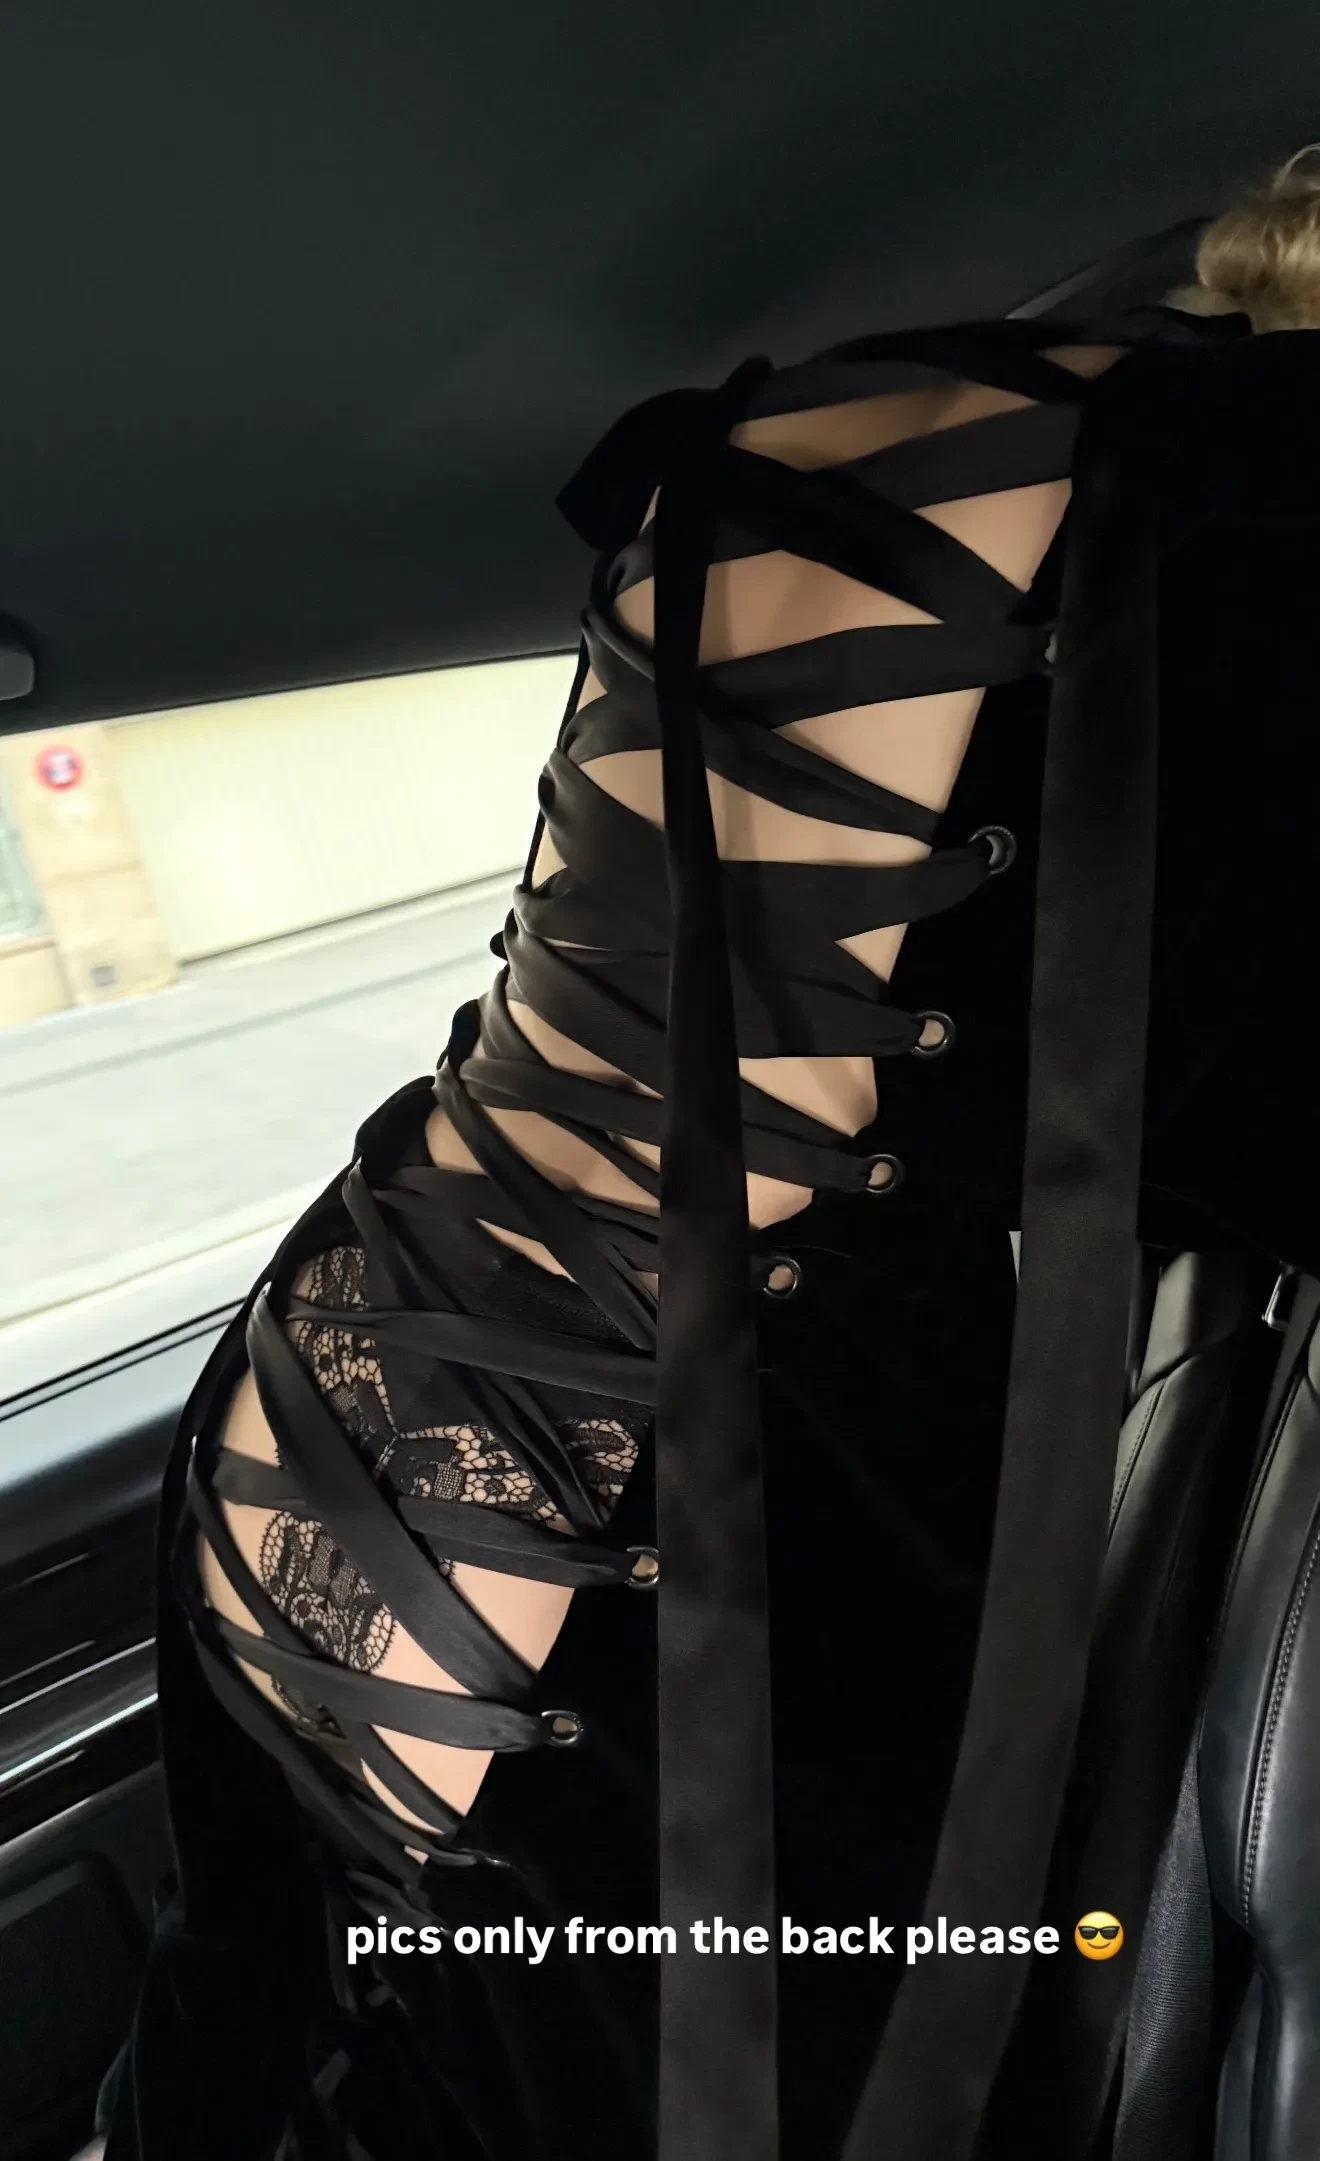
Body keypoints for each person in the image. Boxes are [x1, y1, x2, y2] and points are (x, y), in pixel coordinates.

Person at [102, 147, 1320, 2161]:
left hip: (333, 1361)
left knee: (276, 2033)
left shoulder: (897, 397)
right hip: (657, 1512)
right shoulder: (1272, 533)